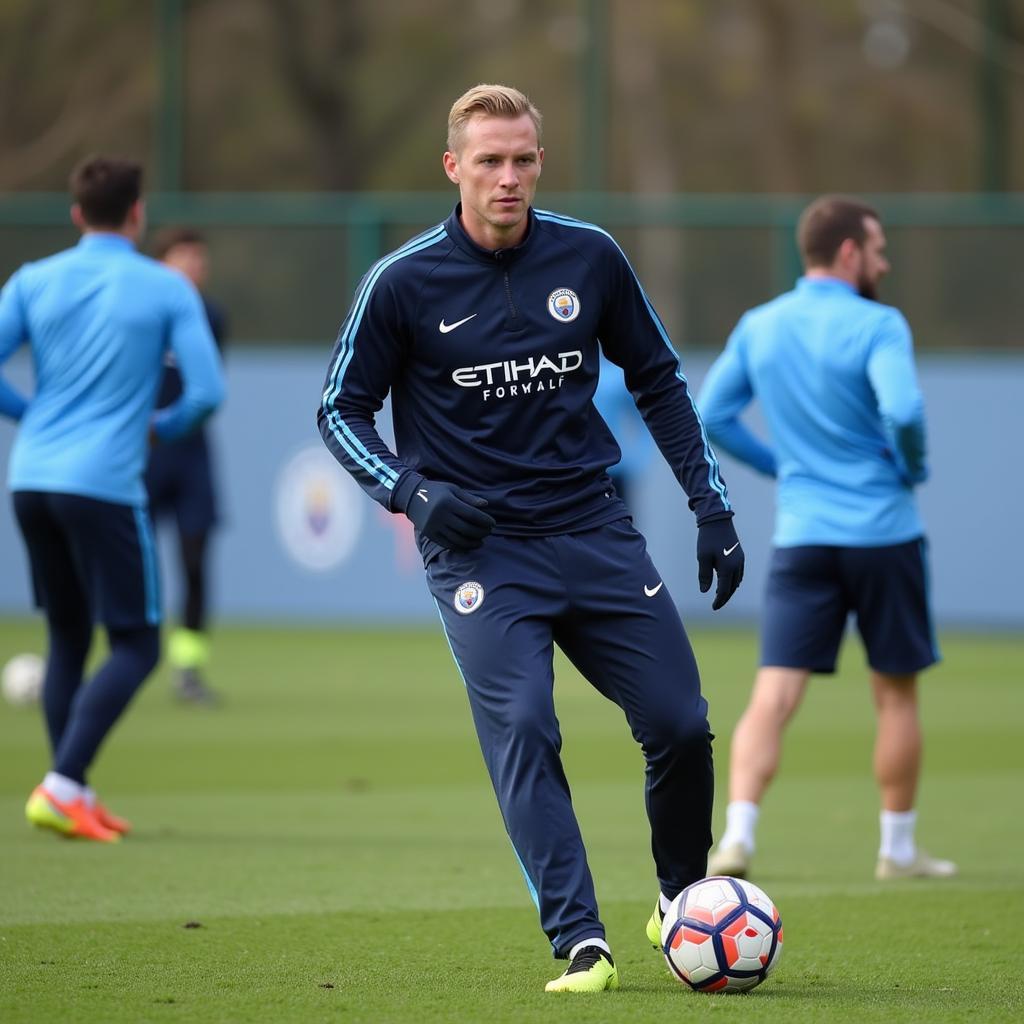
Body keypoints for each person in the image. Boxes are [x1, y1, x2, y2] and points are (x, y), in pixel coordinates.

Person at [317, 84, 745, 993]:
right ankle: (582, 941)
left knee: (681, 725)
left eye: (521, 160)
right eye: (488, 161)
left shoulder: (590, 257)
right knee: (525, 726)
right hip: (480, 551)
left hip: (592, 527)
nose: (506, 178)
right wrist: (411, 493)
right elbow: (339, 409)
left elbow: (661, 380)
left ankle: (680, 904)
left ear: (540, 163)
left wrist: (711, 507)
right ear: (454, 169)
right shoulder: (401, 282)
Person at [698, 194, 955, 882]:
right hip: (884, 533)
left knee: (773, 694)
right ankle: (897, 851)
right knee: (895, 694)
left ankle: (737, 836)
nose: (885, 261)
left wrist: (781, 466)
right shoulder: (879, 324)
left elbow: (712, 413)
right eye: (877, 248)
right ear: (849, 253)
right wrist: (913, 464)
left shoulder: (761, 324)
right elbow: (901, 407)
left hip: (804, 534)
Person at [0, 156, 224, 843]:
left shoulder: (33, 280)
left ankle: (75, 786)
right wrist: (159, 428)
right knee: (135, 644)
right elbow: (207, 393)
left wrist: (30, 413)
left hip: (31, 478)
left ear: (75, 215)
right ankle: (63, 784)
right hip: (103, 482)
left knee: (68, 632)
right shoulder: (163, 288)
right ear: (137, 213)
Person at [146, 227, 228, 704]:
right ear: (161, 264)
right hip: (141, 456)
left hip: (192, 458)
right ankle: (123, 658)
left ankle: (188, 668)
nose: (195, 266)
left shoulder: (211, 317)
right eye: (184, 257)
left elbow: (209, 390)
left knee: (195, 562)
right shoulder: (138, 314)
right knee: (132, 564)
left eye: (200, 258)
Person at [593, 353, 655, 515]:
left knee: (622, 527)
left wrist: (638, 460)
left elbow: (643, 418)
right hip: (578, 470)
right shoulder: (567, 375)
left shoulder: (617, 377)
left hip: (614, 471)